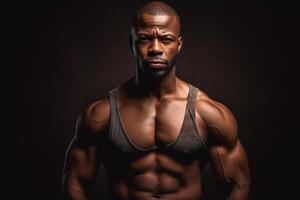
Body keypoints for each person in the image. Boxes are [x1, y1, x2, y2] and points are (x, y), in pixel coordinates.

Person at [61, 1, 251, 199]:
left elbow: (239, 184)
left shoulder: (207, 114)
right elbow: (74, 182)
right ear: (131, 44)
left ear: (179, 45)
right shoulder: (101, 115)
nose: (155, 48)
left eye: (166, 39)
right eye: (144, 39)